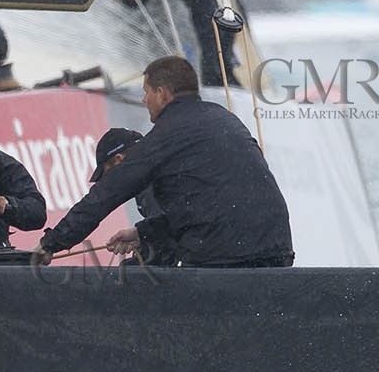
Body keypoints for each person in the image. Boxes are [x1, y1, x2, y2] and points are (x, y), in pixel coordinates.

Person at [35, 56, 294, 267]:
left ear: (162, 94)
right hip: (277, 248)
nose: (143, 100)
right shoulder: (225, 119)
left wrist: (51, 244)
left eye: (146, 92)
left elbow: (106, 194)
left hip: (224, 257)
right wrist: (143, 232)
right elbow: (209, 205)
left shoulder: (165, 136)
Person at [87, 127, 179, 268]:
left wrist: (144, 248)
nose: (109, 184)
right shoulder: (163, 162)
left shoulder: (148, 185)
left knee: (127, 273)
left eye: (108, 175)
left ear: (119, 160)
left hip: (195, 263)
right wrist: (142, 238)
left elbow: (168, 240)